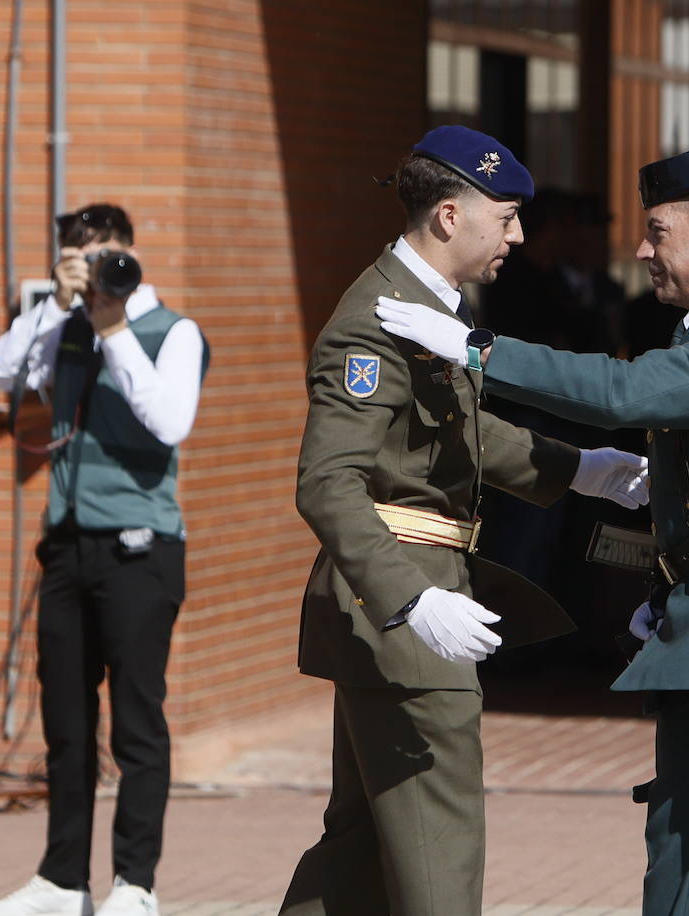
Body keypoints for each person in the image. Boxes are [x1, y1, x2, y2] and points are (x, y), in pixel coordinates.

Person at [379, 136, 689, 915]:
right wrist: (673, 578)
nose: (642, 249)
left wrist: (479, 350)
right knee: (680, 851)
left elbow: (621, 392)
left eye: (659, 232)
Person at [279, 125, 648, 916]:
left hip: (405, 597)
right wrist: (411, 600)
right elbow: (327, 484)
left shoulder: (424, 308)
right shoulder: (375, 322)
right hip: (402, 604)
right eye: (506, 215)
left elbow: (466, 434)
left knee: (364, 843)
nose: (518, 234)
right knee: (438, 842)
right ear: (449, 216)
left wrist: (581, 469)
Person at [0, 204, 209, 916]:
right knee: (66, 724)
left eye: (108, 253)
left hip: (141, 550)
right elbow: (0, 371)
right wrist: (57, 303)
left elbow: (171, 422)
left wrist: (113, 328)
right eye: (82, 254)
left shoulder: (173, 331)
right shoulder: (66, 324)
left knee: (137, 724)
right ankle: (61, 879)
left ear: (131, 253)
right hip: (68, 547)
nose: (99, 264)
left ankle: (134, 885)